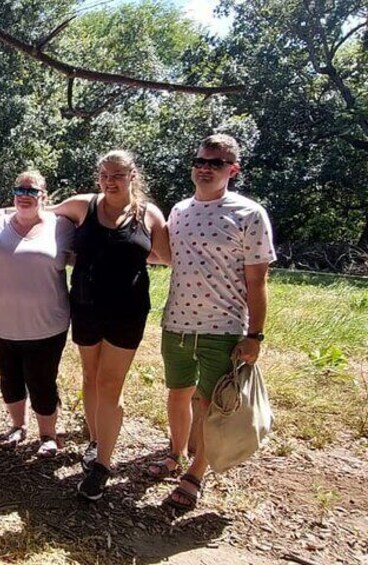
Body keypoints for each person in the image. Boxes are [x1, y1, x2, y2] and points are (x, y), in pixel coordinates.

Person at [151, 134, 276, 511]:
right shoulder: (178, 211)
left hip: (223, 328)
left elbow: (258, 281)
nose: (205, 168)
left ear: (232, 171)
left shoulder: (249, 214)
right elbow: (167, 257)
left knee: (208, 402)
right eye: (201, 160)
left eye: (216, 163)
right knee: (178, 393)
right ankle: (175, 452)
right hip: (176, 322)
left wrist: (255, 335)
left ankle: (196, 471)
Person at [40, 150, 170, 500]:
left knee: (111, 384)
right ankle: (96, 442)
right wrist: (2, 213)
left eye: (117, 174)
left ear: (132, 175)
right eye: (104, 175)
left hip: (127, 311)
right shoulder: (85, 205)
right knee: (91, 378)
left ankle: (102, 466)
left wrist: (132, 255)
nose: (110, 181)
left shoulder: (149, 215)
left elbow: (167, 257)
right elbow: (40, 214)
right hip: (85, 304)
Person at [0, 170, 74, 458]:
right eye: (20, 190)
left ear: (44, 196)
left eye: (32, 191)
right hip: (2, 320)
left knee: (42, 379)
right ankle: (17, 426)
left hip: (48, 322)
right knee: (8, 376)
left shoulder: (61, 226)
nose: (25, 195)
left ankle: (48, 435)